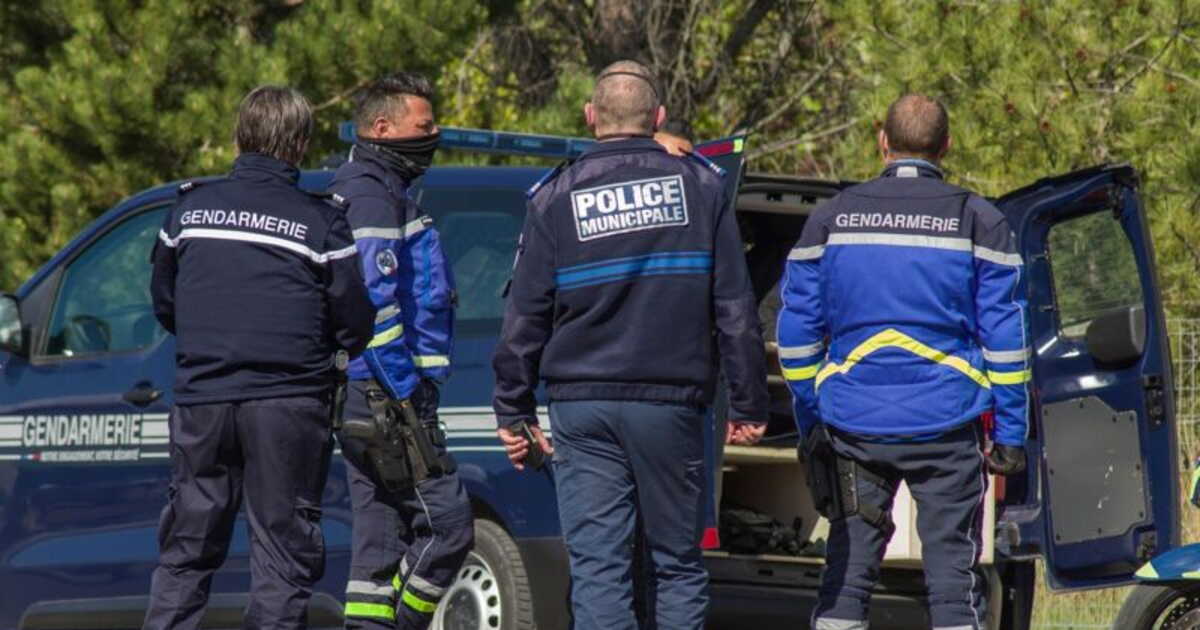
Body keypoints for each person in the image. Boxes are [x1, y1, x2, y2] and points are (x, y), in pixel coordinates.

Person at [492, 60, 769, 630]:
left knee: (600, 571)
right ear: (660, 117)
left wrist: (513, 410)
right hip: (670, 404)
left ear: (591, 117)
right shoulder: (701, 185)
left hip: (582, 406)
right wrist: (748, 403)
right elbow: (734, 307)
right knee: (677, 563)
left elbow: (524, 314)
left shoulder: (555, 196)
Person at [778, 93, 1029, 630]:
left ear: (882, 141)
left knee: (846, 575)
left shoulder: (830, 219)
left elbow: (796, 340)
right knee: (952, 584)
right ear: (947, 146)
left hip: (852, 425)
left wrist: (812, 418)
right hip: (946, 427)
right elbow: (1007, 345)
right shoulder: (978, 220)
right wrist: (1010, 434)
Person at [145, 85, 375, 630]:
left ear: (239, 137)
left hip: (203, 405)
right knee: (281, 558)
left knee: (185, 553)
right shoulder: (320, 223)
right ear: (298, 145)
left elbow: (165, 303)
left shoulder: (188, 212)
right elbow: (355, 323)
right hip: (287, 408)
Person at [329, 73, 473, 630]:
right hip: (387, 394)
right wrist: (406, 391)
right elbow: (374, 305)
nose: (433, 135)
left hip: (368, 392)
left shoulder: (377, 187)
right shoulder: (370, 193)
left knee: (378, 543)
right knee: (450, 524)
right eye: (424, 126)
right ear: (383, 128)